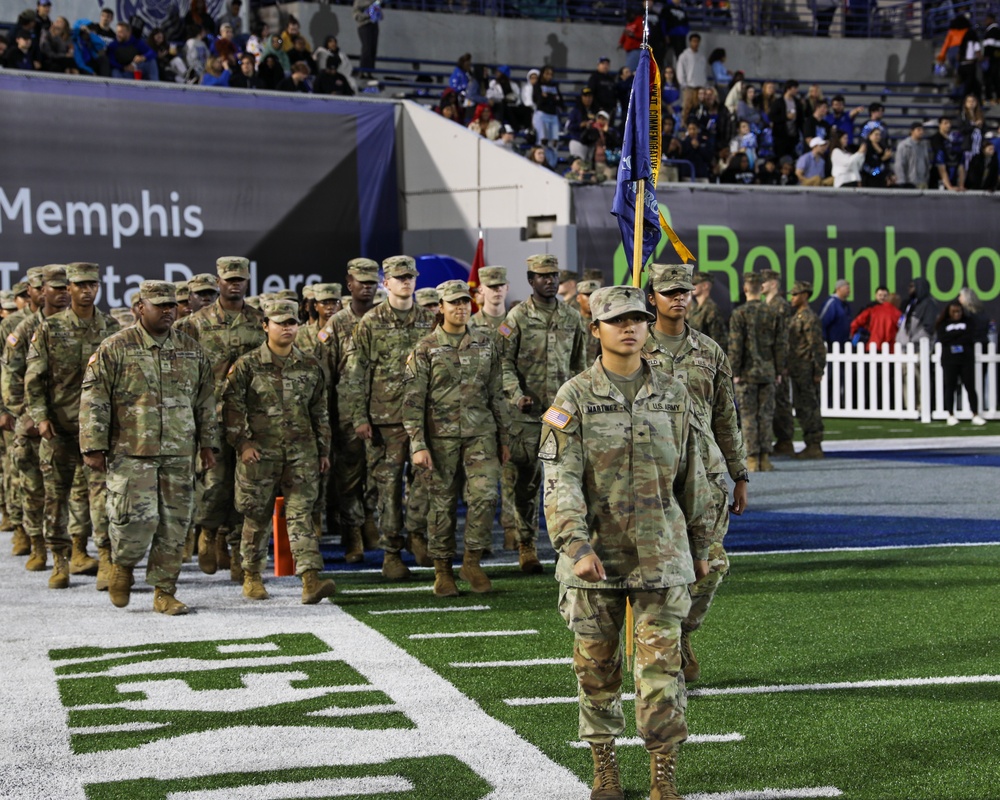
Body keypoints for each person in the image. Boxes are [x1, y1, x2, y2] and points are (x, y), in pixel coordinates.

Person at [541, 284, 711, 800]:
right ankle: (605, 768)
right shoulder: (573, 397)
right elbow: (559, 479)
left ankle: (664, 773)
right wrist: (575, 544)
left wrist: (702, 545)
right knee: (597, 669)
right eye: (617, 320)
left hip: (663, 554)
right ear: (596, 330)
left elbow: (693, 474)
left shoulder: (673, 393)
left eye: (637, 318)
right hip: (596, 557)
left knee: (663, 670)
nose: (631, 327)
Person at [79, 281, 218, 615]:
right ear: (139, 308)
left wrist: (209, 443)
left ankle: (164, 590)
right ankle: (123, 566)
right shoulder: (115, 347)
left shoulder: (190, 348)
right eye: (160, 305)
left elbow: (205, 400)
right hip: (131, 450)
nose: (169, 311)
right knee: (134, 519)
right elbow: (94, 398)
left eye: (172, 305)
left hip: (179, 450)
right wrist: (93, 445)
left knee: (175, 523)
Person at [643, 264, 748, 684]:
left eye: (684, 291)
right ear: (652, 298)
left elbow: (727, 416)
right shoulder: (635, 347)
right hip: (653, 475)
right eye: (669, 292)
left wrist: (740, 473)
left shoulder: (709, 350)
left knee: (711, 565)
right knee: (658, 567)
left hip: (706, 476)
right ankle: (659, 639)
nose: (678, 298)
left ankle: (682, 631)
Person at [222, 299, 336, 604]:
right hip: (259, 455)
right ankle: (252, 576)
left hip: (301, 454)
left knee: (301, 515)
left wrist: (323, 450)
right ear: (265, 326)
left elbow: (319, 411)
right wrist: (242, 443)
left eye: (292, 323)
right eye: (280, 323)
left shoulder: (310, 364)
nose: (287, 328)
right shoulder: (247, 365)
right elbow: (230, 409)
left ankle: (310, 579)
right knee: (257, 517)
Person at [403, 280, 510, 597]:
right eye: (454, 303)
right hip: (439, 438)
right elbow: (412, 400)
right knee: (442, 503)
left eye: (465, 302)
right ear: (441, 307)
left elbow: (496, 393)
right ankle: (443, 571)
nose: (461, 308)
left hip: (481, 433)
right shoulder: (425, 348)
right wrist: (418, 444)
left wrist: (504, 437)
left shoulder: (486, 342)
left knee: (486, 495)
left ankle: (472, 561)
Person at [24, 263, 120, 590]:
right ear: (68, 288)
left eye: (92, 284)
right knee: (56, 497)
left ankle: (105, 559)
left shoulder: (111, 328)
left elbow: (121, 380)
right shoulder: (50, 329)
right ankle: (60, 561)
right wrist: (40, 417)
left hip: (99, 431)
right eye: (79, 285)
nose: (86, 290)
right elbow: (34, 380)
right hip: (60, 430)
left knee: (102, 498)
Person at [343, 256, 436, 580]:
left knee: (426, 481)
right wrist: (359, 416)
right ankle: (392, 552)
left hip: (424, 418)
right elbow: (355, 374)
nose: (405, 282)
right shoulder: (370, 322)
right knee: (389, 487)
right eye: (398, 278)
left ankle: (416, 532)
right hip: (386, 419)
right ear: (386, 283)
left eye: (410, 276)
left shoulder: (429, 320)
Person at [499, 254, 587, 573]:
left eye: (553, 275)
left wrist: (580, 401)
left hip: (562, 417)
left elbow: (580, 364)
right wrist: (516, 394)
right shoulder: (517, 317)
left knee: (566, 482)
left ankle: (567, 545)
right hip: (527, 416)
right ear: (530, 280)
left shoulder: (572, 317)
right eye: (542, 275)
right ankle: (526, 545)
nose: (549, 280)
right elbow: (504, 362)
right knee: (527, 483)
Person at [181, 257, 265, 583]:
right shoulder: (195, 324)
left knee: (246, 488)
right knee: (215, 485)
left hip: (249, 419)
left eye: (240, 279)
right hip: (212, 417)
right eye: (229, 279)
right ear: (218, 281)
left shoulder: (260, 321)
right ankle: (209, 532)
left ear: (247, 281)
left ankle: (238, 554)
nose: (235, 284)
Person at [2, 266, 71, 574]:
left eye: (58, 287)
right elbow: (11, 376)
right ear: (32, 290)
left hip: (66, 423)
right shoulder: (21, 327)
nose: (49, 292)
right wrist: (21, 413)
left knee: (64, 490)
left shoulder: (74, 326)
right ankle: (33, 540)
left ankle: (72, 549)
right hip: (30, 422)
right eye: (43, 287)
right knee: (32, 486)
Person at [317, 259, 380, 562]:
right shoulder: (337, 324)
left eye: (371, 282)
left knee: (380, 473)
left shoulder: (384, 318)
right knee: (349, 476)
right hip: (346, 414)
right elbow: (325, 377)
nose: (366, 287)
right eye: (361, 281)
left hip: (384, 411)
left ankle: (371, 521)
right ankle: (353, 533)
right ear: (349, 284)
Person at [728, 272, 785, 472]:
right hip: (768, 372)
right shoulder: (773, 313)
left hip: (746, 373)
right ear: (761, 289)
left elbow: (736, 346)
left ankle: (752, 459)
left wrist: (734, 370)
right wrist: (778, 370)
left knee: (748, 416)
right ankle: (765, 458)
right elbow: (780, 344)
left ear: (745, 289)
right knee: (766, 415)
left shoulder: (739, 314)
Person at [786, 281, 827, 459]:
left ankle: (814, 444)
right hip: (797, 369)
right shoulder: (798, 317)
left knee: (810, 407)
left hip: (807, 369)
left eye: (795, 295)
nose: (792, 298)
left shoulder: (809, 317)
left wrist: (818, 370)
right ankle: (810, 443)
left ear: (804, 295)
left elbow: (816, 346)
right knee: (802, 407)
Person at [936, 301, 987, 426]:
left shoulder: (968, 322)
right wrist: (957, 335)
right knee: (950, 386)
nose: (957, 314)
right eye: (954, 312)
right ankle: (951, 414)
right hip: (949, 360)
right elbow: (943, 338)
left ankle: (975, 413)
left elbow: (969, 336)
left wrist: (953, 337)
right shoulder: (943, 324)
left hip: (966, 359)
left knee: (970, 386)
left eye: (959, 311)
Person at [762, 269, 795, 456]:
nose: (762, 285)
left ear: (774, 283)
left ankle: (785, 440)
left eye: (765, 282)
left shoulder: (780, 306)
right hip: (768, 359)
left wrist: (780, 366)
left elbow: (782, 337)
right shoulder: (766, 304)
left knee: (781, 402)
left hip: (777, 360)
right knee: (771, 403)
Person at [850, 286, 901, 352]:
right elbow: (903, 331)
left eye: (884, 295)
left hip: (872, 345)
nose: (882, 297)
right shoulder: (899, 314)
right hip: (890, 348)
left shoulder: (871, 310)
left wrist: (856, 335)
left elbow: (854, 324)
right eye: (880, 295)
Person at [686, 271, 728, 346]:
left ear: (705, 286)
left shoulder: (711, 309)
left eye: (695, 284)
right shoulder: (695, 308)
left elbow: (718, 339)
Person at [769, 80, 803, 161]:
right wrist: (786, 117)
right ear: (788, 89)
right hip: (781, 137)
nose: (796, 90)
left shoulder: (797, 103)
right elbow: (772, 117)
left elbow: (801, 119)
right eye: (794, 88)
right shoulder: (778, 102)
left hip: (793, 136)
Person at [931, 117, 966, 191]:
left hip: (952, 178)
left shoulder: (958, 147)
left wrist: (961, 185)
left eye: (949, 123)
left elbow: (961, 167)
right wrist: (949, 187)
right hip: (938, 179)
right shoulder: (938, 143)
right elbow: (941, 168)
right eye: (945, 123)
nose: (948, 125)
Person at [676, 33, 708, 113]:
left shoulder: (702, 57)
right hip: (689, 86)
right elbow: (680, 70)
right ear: (690, 42)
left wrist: (704, 84)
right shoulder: (684, 56)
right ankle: (684, 124)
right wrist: (683, 83)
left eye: (697, 41)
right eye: (694, 41)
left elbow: (704, 71)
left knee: (699, 108)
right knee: (687, 107)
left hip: (700, 86)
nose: (696, 43)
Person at [894, 122, 931, 189]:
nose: (921, 132)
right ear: (912, 131)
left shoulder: (924, 145)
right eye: (918, 130)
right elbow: (899, 165)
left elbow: (926, 163)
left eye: (922, 130)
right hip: (909, 182)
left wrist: (926, 178)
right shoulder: (904, 145)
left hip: (922, 182)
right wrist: (901, 181)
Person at [353, 0, 381, 77]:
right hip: (364, 25)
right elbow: (356, 15)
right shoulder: (359, 1)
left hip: (374, 25)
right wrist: (368, 14)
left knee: (373, 49)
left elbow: (378, 12)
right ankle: (362, 71)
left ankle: (370, 71)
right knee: (366, 48)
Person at [819, 280, 852, 345]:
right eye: (847, 288)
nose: (849, 291)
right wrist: (824, 340)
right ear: (839, 289)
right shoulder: (831, 303)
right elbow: (821, 323)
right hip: (832, 345)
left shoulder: (846, 305)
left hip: (844, 344)